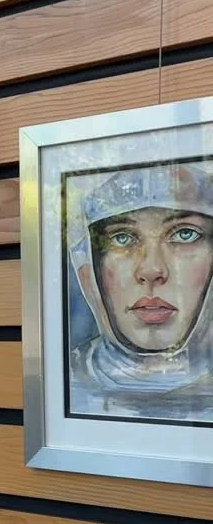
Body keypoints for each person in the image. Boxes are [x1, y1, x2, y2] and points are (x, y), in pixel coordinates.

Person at [67, 161, 213, 421]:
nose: (151, 270)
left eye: (185, 234)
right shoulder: (59, 383)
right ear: (88, 263)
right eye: (122, 237)